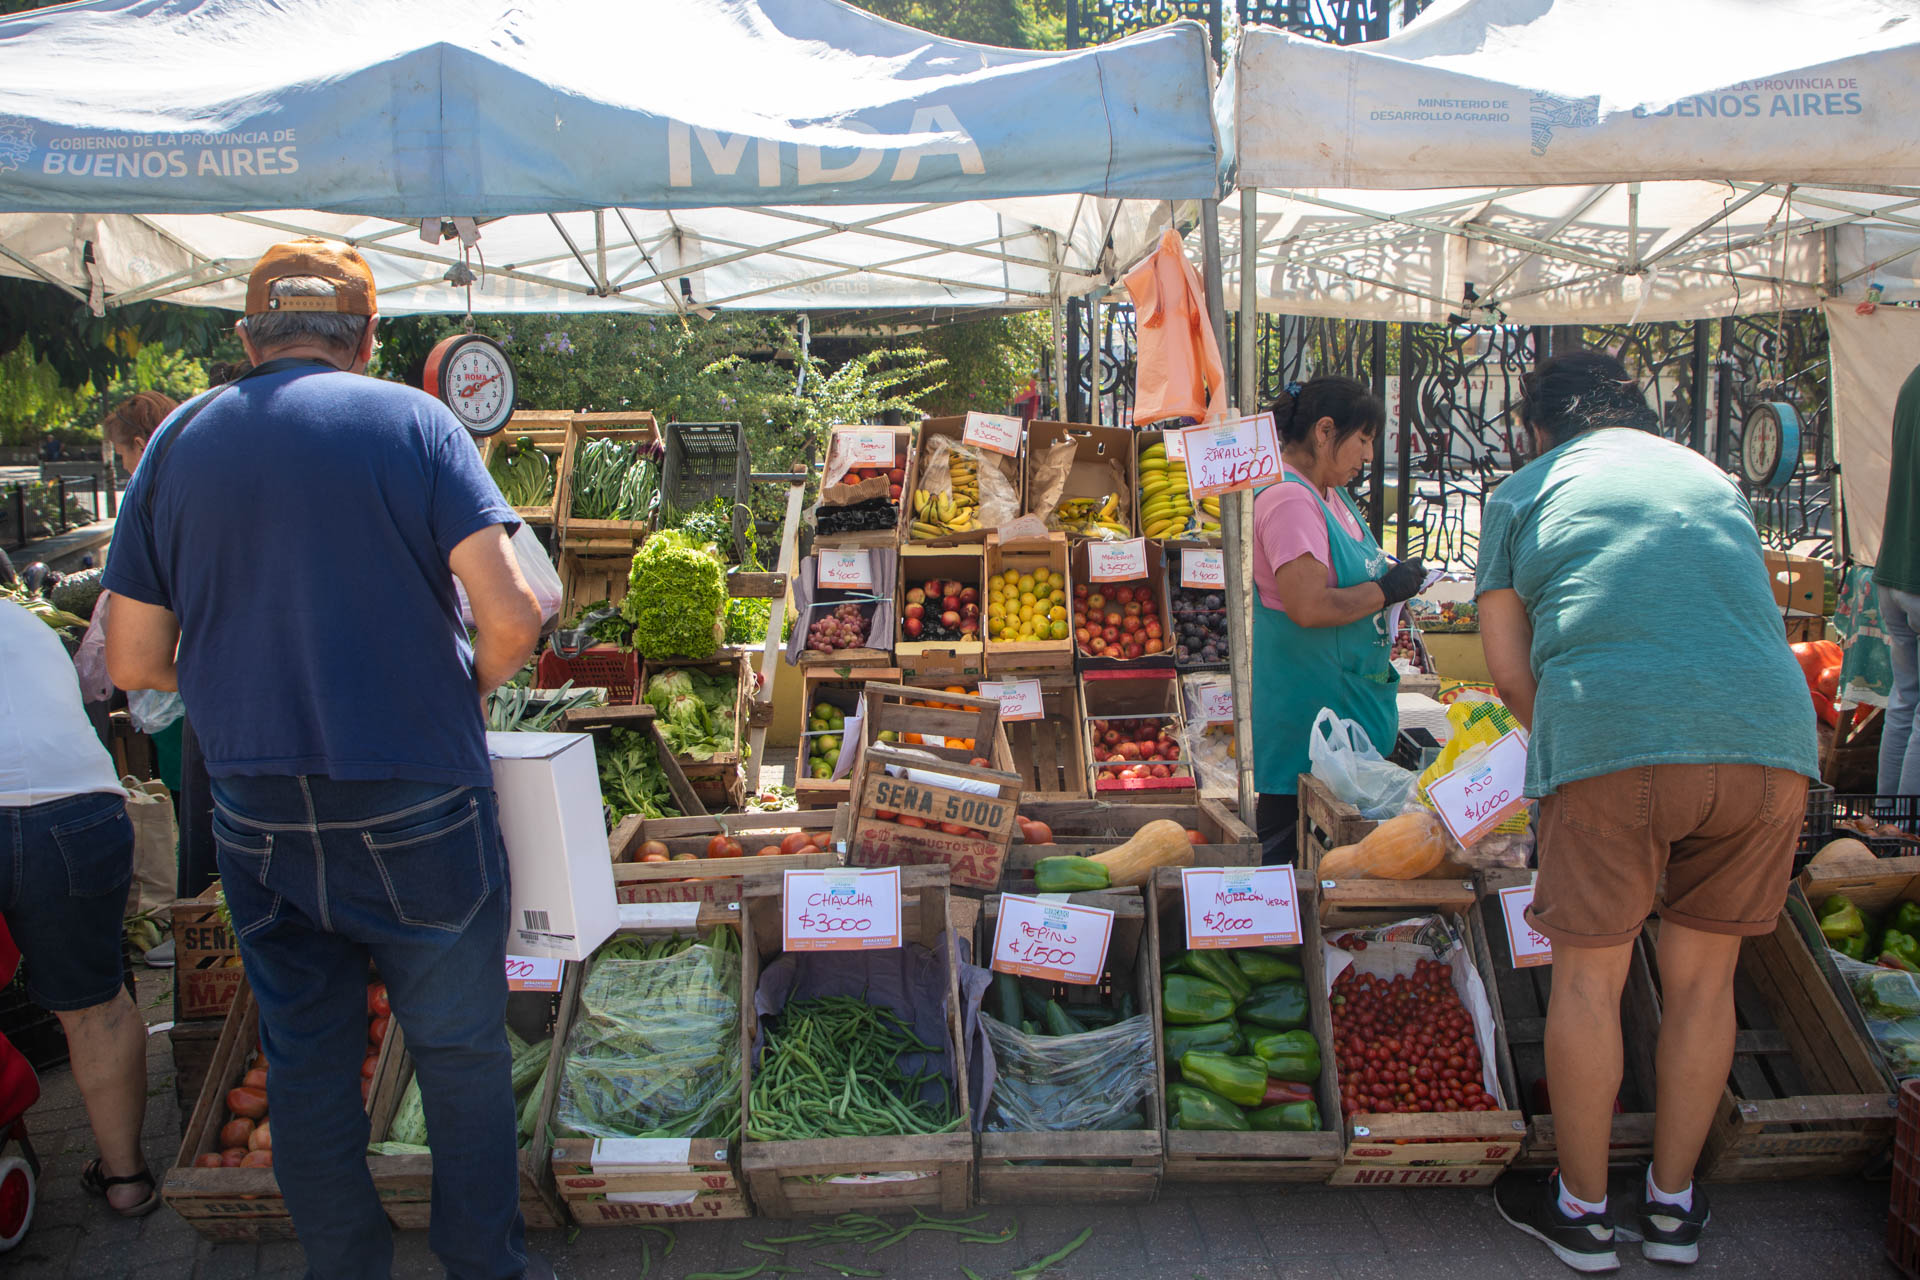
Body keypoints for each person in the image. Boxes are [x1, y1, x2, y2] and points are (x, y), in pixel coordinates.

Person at [103, 238, 546, 1280]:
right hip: (416, 794)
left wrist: (231, 693)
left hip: (255, 808)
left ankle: (343, 1266)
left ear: (247, 334)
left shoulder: (177, 442)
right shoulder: (414, 420)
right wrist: (462, 688)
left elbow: (131, 659)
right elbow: (515, 614)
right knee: (460, 1053)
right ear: (370, 336)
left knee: (305, 1060)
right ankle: (486, 1266)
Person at [1479, 351, 1820, 1272]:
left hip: (1614, 729)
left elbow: (1510, 672)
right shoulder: (1709, 477)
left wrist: (1585, 752)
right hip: (1771, 739)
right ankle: (1673, 1210)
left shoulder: (1524, 489)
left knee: (1591, 981)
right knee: (1706, 983)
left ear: (1537, 426)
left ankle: (1583, 1211)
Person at [0, 601, 154, 1217]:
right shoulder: (23, 621)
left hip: (59, 806)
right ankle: (127, 1179)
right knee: (96, 1005)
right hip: (75, 810)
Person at [1250, 376, 1427, 863]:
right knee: (1301, 870)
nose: (1368, 456)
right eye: (1364, 440)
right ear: (1325, 431)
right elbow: (1309, 605)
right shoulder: (1289, 499)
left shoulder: (1329, 492)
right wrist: (1385, 590)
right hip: (1308, 728)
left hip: (1347, 717)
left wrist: (1392, 584)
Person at [1877, 363, 1920, 797]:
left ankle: (1884, 822)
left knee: (1904, 700)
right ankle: (1908, 835)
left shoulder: (1911, 380)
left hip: (1892, 569)